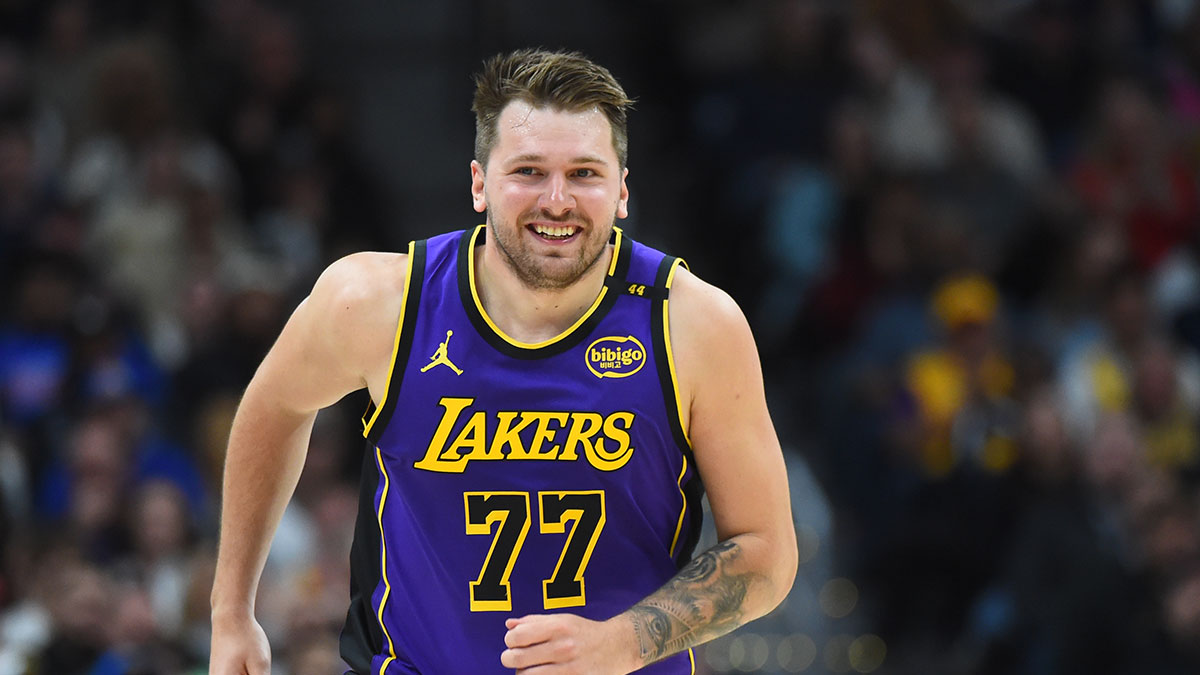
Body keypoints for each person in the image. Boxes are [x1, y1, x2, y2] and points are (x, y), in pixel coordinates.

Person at [209, 48, 797, 674]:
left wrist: (624, 642)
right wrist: (231, 612)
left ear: (622, 191)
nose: (557, 200)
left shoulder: (693, 325)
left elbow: (766, 555)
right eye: (528, 171)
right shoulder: (377, 303)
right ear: (478, 183)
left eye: (585, 174)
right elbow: (273, 407)